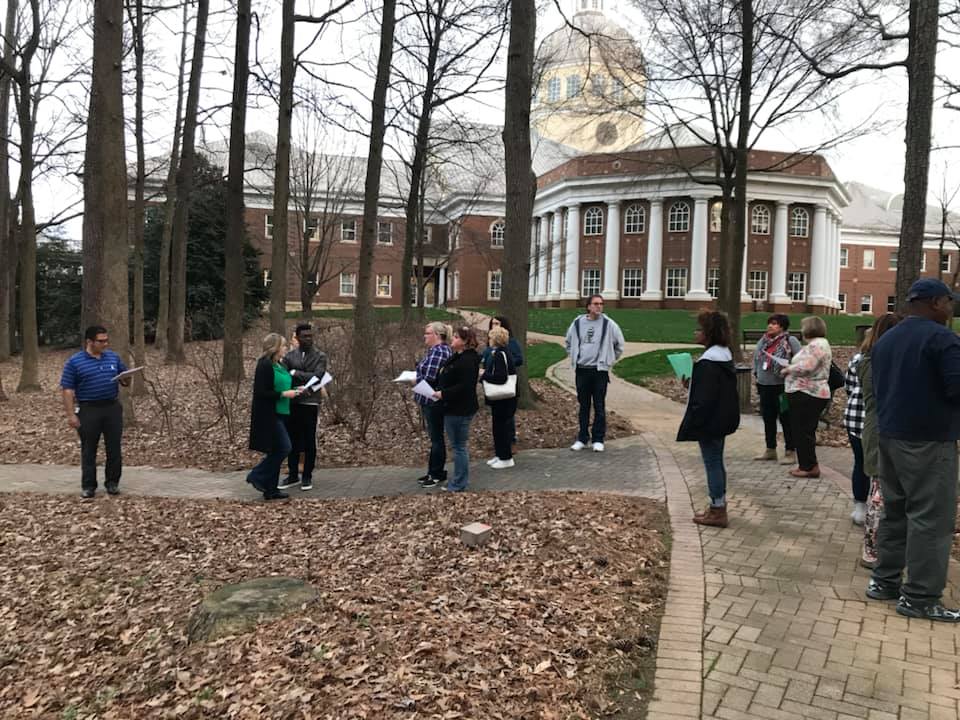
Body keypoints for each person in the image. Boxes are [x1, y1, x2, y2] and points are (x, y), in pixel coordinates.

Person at [865, 279, 960, 621]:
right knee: (931, 520)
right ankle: (920, 597)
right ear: (935, 303)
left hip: (890, 437)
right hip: (929, 441)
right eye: (949, 302)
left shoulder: (887, 339)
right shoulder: (943, 339)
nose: (951, 308)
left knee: (896, 511)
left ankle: (884, 581)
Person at [676, 310, 740, 528]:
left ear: (709, 333)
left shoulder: (708, 362)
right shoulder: (724, 356)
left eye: (699, 329)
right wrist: (693, 383)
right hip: (722, 418)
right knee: (717, 461)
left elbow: (704, 398)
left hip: (710, 421)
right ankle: (718, 504)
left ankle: (717, 509)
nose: (696, 332)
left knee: (712, 462)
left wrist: (693, 423)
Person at [60, 325, 131, 499]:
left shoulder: (113, 357)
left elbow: (125, 380)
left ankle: (112, 483)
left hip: (112, 408)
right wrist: (70, 414)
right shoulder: (75, 362)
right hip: (88, 409)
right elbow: (67, 389)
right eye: (101, 341)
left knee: (114, 448)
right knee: (89, 449)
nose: (105, 344)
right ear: (89, 341)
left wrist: (126, 377)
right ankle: (88, 486)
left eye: (106, 340)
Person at [857, 313, 901, 568]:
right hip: (879, 431)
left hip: (879, 429)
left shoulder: (870, 360)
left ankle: (876, 548)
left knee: (880, 490)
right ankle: (871, 550)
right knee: (878, 492)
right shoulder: (873, 362)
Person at [564, 294, 625, 452]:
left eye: (601, 304)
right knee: (583, 405)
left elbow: (620, 345)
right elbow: (568, 342)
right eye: (596, 304)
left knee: (599, 405)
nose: (599, 306)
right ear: (588, 306)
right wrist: (575, 357)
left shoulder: (609, 324)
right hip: (582, 370)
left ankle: (598, 439)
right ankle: (582, 438)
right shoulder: (577, 323)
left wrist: (608, 360)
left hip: (599, 372)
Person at [247, 333, 302, 501]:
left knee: (276, 449)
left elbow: (285, 383)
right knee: (284, 447)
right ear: (275, 348)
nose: (286, 348)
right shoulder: (264, 365)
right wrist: (284, 393)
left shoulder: (280, 365)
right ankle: (257, 475)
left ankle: (271, 489)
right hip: (270, 414)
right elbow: (262, 392)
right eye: (283, 345)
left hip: (282, 412)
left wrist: (297, 389)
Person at [780, 316, 831, 479]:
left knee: (801, 430)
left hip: (807, 392)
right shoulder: (820, 344)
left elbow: (807, 366)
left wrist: (788, 369)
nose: (801, 330)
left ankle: (807, 466)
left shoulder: (816, 344)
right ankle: (810, 464)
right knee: (805, 430)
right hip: (812, 392)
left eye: (803, 327)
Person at [279, 323, 328, 491]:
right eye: (305, 336)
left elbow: (318, 376)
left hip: (310, 403)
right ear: (298, 337)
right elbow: (285, 376)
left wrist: (295, 373)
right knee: (292, 441)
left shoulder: (320, 356)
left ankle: (307, 476)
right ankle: (293, 474)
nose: (309, 339)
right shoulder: (290, 356)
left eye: (310, 336)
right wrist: (298, 376)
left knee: (309, 441)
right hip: (293, 402)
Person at [432, 326, 480, 492]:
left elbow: (465, 386)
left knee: (459, 446)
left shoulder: (467, 360)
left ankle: (459, 483)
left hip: (460, 409)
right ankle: (459, 480)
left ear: (465, 341)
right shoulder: (457, 357)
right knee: (458, 445)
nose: (452, 339)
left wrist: (443, 394)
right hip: (452, 406)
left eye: (456, 338)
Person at [751, 313, 801, 465]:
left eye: (775, 324)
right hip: (765, 385)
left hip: (782, 386)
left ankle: (790, 450)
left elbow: (800, 359)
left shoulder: (790, 341)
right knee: (768, 418)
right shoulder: (763, 341)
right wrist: (756, 374)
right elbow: (756, 359)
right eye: (770, 323)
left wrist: (788, 366)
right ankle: (770, 449)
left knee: (786, 418)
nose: (770, 326)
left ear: (782, 326)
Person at [415, 321, 453, 488]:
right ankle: (433, 471)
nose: (425, 335)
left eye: (427, 333)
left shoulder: (439, 352)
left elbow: (429, 377)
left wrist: (413, 378)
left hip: (434, 401)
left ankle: (437, 474)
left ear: (437, 335)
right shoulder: (435, 351)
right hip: (429, 399)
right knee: (435, 438)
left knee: (437, 439)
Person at [482, 315, 524, 443]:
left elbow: (519, 359)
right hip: (492, 380)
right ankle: (501, 443)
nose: (494, 326)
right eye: (492, 324)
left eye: (497, 323)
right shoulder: (490, 344)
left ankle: (510, 440)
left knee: (506, 416)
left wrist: (505, 363)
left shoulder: (510, 343)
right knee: (497, 416)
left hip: (505, 380)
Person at [483, 326, 517, 469]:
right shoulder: (502, 352)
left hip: (504, 399)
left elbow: (501, 378)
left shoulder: (499, 354)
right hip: (502, 400)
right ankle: (500, 454)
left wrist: (483, 375)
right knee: (498, 426)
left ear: (495, 339)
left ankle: (506, 458)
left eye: (490, 337)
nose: (489, 340)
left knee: (501, 427)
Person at [842, 344, 868, 526]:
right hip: (875, 418)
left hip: (855, 417)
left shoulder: (858, 359)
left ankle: (860, 506)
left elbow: (849, 386)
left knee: (860, 462)